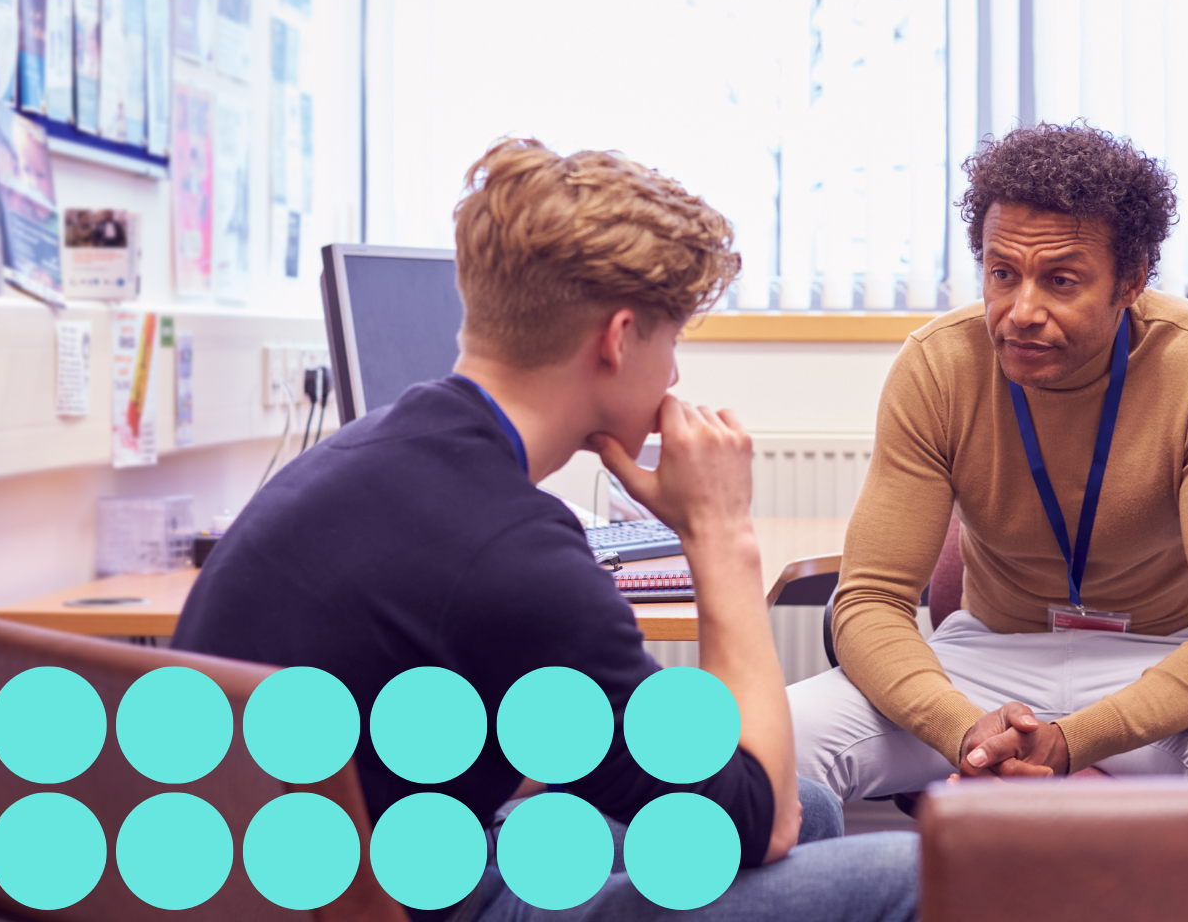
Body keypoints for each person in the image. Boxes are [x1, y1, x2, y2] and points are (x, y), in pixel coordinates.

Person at [173, 138, 918, 922]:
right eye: (672, 344)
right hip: (396, 900)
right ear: (620, 338)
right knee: (912, 869)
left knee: (808, 804)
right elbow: (757, 825)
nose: (672, 377)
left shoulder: (369, 455)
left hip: (297, 877)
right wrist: (721, 535)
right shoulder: (515, 556)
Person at [788, 122, 1188, 802]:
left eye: (1060, 280)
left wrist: (1073, 741)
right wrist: (966, 729)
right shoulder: (938, 364)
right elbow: (868, 603)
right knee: (778, 743)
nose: (1020, 311)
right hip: (989, 660)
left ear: (1130, 281)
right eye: (1001, 274)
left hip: (1166, 660)